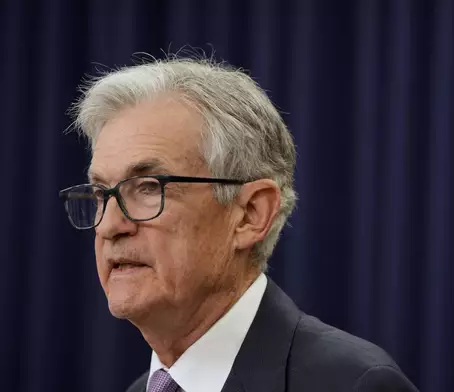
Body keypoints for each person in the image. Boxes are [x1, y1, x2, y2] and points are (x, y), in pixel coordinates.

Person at [59, 55, 418, 392]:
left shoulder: (352, 384)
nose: (108, 226)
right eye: (102, 193)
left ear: (250, 215)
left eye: (149, 187)